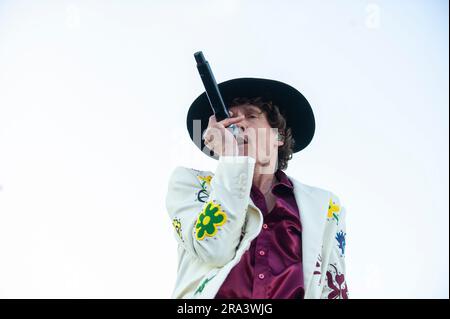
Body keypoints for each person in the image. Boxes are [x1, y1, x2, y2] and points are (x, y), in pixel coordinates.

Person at [165, 77, 348, 299]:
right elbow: (213, 249)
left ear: (278, 136)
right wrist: (232, 160)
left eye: (251, 115)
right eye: (229, 118)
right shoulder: (189, 185)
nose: (237, 124)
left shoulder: (323, 206)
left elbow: (333, 289)